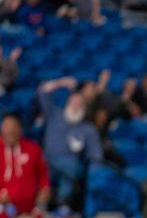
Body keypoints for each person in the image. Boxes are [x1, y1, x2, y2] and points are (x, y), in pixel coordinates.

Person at [38, 77, 103, 210]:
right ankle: (42, 204)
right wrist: (60, 83)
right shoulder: (54, 116)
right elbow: (42, 93)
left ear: (84, 107)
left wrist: (93, 168)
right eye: (73, 101)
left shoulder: (87, 128)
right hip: (47, 161)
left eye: (80, 103)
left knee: (70, 165)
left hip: (71, 164)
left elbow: (96, 154)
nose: (76, 105)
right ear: (67, 102)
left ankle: (63, 204)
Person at [0, 113, 52, 218]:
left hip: (30, 207)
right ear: (1, 129)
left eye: (13, 127)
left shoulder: (32, 148)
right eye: (7, 127)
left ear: (20, 129)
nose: (10, 131)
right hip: (3, 206)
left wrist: (45, 189)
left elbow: (43, 174)